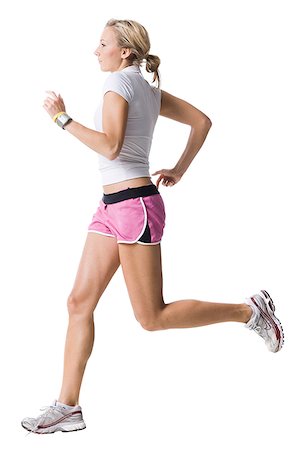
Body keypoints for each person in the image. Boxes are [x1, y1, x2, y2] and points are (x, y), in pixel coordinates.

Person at [21, 18, 284, 434]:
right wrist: (178, 169)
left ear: (124, 50)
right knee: (78, 302)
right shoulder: (145, 88)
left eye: (103, 43)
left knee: (152, 317)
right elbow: (202, 121)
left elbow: (110, 144)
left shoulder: (118, 86)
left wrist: (62, 119)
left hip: (134, 206)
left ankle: (249, 311)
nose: (96, 50)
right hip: (112, 205)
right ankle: (67, 406)